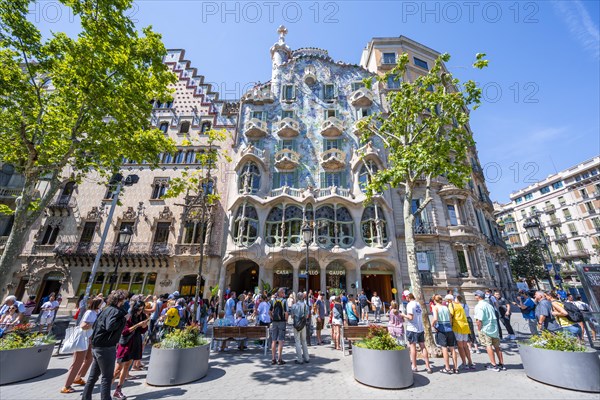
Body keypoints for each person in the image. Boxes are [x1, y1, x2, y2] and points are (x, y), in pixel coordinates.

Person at [82, 290, 128, 400]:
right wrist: (124, 319)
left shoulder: (105, 309)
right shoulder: (115, 311)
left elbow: (96, 326)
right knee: (107, 377)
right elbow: (110, 326)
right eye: (123, 299)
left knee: (93, 376)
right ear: (119, 300)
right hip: (106, 347)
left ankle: (86, 397)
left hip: (97, 346)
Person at [61, 298, 103, 394]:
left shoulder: (98, 312)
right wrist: (95, 324)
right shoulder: (89, 312)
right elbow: (83, 326)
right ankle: (66, 385)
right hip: (83, 339)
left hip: (90, 339)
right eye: (101, 302)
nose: (103, 304)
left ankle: (78, 377)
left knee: (89, 359)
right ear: (97, 303)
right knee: (77, 362)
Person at [112, 300, 148, 399]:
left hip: (135, 342)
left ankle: (118, 390)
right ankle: (105, 390)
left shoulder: (142, 316)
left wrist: (144, 326)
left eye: (142, 309)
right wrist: (138, 325)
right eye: (139, 309)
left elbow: (142, 331)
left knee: (127, 366)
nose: (140, 311)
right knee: (117, 369)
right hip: (126, 343)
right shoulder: (128, 316)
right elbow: (124, 332)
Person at [473, 290, 505, 372]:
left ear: (478, 297)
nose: (474, 296)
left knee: (488, 345)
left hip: (486, 328)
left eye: (475, 295)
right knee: (497, 346)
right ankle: (501, 364)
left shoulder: (479, 306)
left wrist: (479, 329)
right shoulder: (489, 305)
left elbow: (478, 320)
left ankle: (493, 365)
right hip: (494, 328)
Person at [403, 293, 432, 374]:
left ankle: (414, 366)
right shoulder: (418, 304)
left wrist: (403, 315)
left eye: (405, 297)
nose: (405, 299)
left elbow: (410, 317)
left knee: (412, 347)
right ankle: (428, 367)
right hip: (420, 328)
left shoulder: (409, 305)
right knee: (423, 346)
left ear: (408, 297)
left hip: (412, 328)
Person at [432, 294, 458, 374]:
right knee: (452, 348)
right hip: (449, 328)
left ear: (434, 300)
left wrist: (432, 325)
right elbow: (450, 318)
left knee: (444, 348)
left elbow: (435, 318)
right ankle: (455, 368)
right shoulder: (446, 307)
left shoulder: (435, 307)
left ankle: (447, 367)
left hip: (441, 328)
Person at [448, 295, 475, 371]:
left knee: (460, 346)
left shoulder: (452, 305)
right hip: (465, 326)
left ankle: (464, 363)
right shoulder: (463, 305)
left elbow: (450, 315)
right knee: (465, 345)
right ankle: (470, 362)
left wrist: (450, 325)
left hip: (458, 326)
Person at [270, 287, 288, 365]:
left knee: (274, 340)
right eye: (283, 293)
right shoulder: (284, 301)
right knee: (281, 340)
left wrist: (272, 318)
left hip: (274, 321)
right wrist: (286, 320)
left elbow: (269, 311)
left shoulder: (273, 300)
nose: (284, 294)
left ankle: (273, 359)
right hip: (282, 322)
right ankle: (279, 359)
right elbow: (286, 312)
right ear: (280, 293)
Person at [291, 292, 310, 364]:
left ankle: (300, 359)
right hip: (303, 325)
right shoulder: (306, 305)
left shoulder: (294, 306)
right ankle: (307, 358)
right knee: (304, 341)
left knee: (297, 341)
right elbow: (307, 316)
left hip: (296, 325)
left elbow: (292, 316)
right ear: (303, 297)